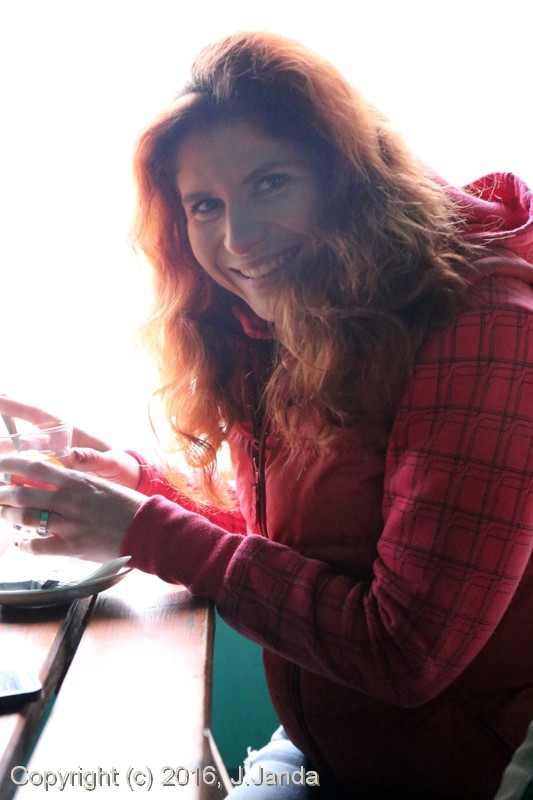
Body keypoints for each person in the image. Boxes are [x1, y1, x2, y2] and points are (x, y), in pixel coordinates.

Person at [0, 30, 532, 800]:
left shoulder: (485, 325)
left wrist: (141, 528)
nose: (238, 239)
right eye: (205, 206)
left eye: (271, 183)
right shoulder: (282, 316)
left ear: (348, 181)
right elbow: (302, 551)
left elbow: (404, 653)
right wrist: (139, 487)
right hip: (324, 751)